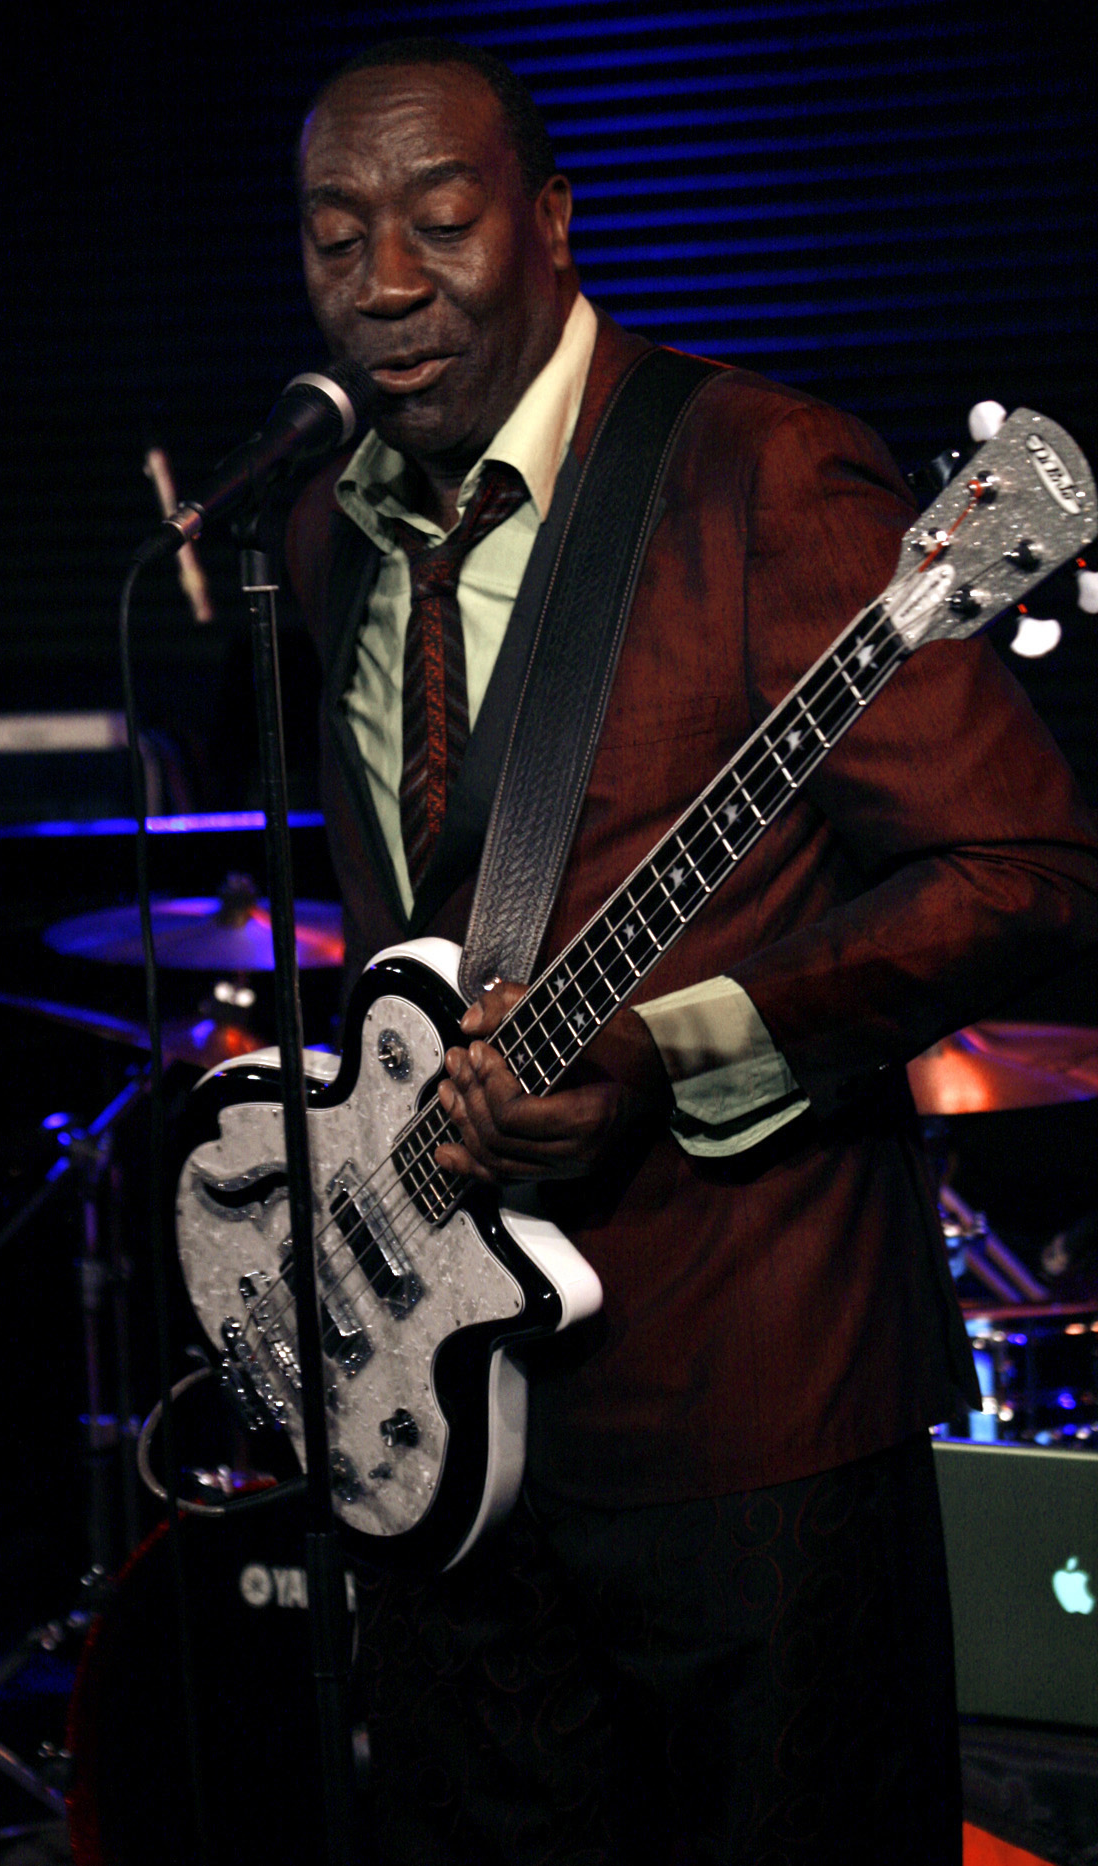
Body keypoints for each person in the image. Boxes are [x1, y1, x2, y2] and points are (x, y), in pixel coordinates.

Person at [284, 37, 1098, 1865]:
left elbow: (1027, 863)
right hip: (447, 1436)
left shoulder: (754, 471)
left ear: (554, 223)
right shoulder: (331, 529)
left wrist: (673, 1044)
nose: (386, 281)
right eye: (336, 236)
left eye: (440, 220)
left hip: (750, 1412)